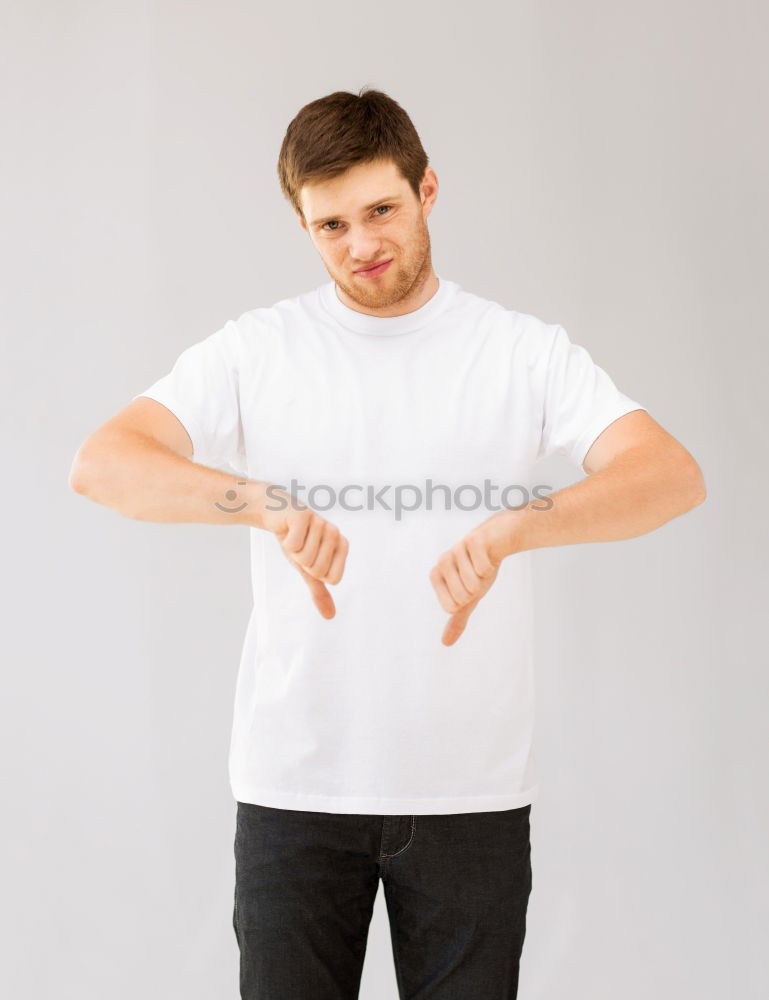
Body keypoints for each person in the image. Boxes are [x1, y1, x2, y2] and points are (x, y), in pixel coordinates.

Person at [68, 87, 706, 1000]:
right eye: (330, 225)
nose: (362, 246)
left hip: (468, 796)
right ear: (301, 222)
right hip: (295, 790)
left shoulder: (519, 351)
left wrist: (519, 524)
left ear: (427, 190)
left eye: (381, 211)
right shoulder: (258, 350)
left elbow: (669, 474)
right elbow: (104, 463)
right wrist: (258, 504)